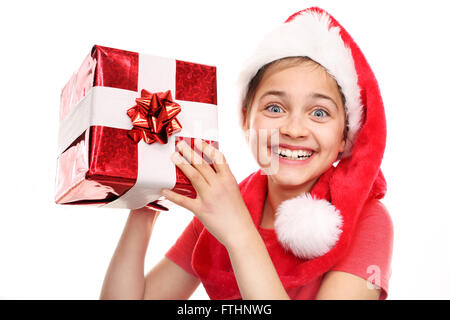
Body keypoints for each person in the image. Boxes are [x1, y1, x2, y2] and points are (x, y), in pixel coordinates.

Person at [100, 7, 393, 300]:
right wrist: (145, 204)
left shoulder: (368, 219)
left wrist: (239, 232)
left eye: (319, 112)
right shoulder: (223, 204)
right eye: (274, 108)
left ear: (345, 135)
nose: (294, 129)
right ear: (245, 119)